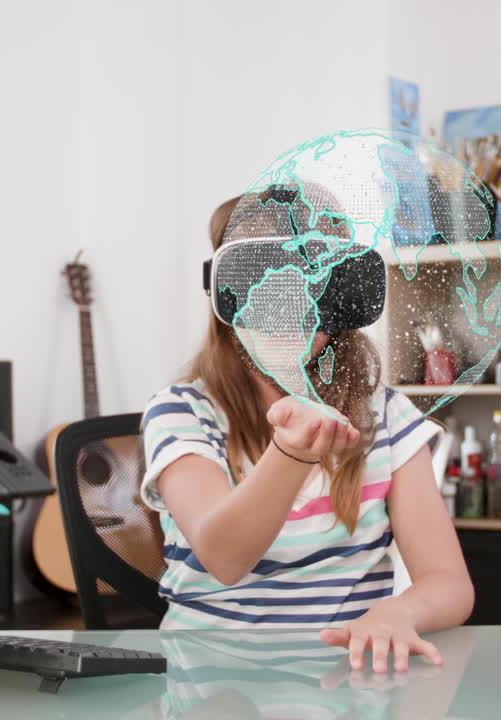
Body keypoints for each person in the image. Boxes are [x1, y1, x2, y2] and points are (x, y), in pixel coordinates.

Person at [140, 188, 474, 673]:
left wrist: (398, 612)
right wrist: (291, 454)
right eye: (263, 284)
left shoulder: (388, 417)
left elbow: (449, 583)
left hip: (344, 683)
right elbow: (224, 558)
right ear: (226, 295)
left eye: (312, 282)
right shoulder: (182, 413)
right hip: (213, 683)